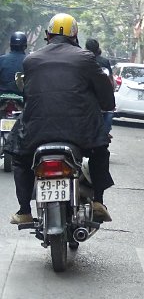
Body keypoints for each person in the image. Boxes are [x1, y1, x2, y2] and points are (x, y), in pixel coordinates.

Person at [7, 13, 114, 224]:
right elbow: (105, 94)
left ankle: (24, 210)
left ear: (48, 34)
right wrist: (106, 106)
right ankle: (98, 202)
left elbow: (28, 95)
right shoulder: (86, 58)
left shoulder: (31, 60)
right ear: (75, 35)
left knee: (19, 157)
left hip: (36, 130)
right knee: (100, 151)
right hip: (81, 131)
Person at [85, 38, 114, 138]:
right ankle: (105, 132)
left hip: (86, 94)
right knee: (109, 111)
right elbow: (110, 81)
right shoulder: (104, 61)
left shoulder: (82, 59)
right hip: (101, 94)